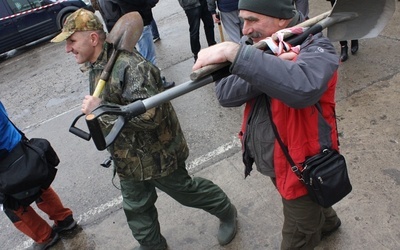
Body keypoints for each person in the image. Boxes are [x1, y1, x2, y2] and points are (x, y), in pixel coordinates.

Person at [51, 9, 237, 250]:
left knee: (187, 192)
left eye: (72, 41)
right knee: (136, 207)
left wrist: (103, 110)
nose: (68, 49)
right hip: (128, 158)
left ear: (93, 39)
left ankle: (226, 210)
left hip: (158, 155)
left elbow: (153, 117)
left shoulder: (131, 66)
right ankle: (152, 245)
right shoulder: (97, 65)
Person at [193, 0, 342, 249]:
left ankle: (316, 226)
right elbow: (226, 94)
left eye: (252, 20)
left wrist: (241, 58)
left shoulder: (317, 46)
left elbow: (303, 87)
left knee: (300, 230)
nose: (244, 30)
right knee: (311, 202)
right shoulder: (256, 45)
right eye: (242, 20)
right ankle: (328, 222)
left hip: (305, 164)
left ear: (282, 19)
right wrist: (270, 64)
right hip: (272, 156)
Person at [0, 101, 77, 250]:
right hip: (19, 147)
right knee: (38, 185)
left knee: (12, 204)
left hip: (3, 164)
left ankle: (44, 237)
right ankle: (64, 219)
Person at [94, 0, 175, 88]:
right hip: (135, 20)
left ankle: (150, 82)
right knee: (148, 56)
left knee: (137, 57)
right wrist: (146, 6)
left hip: (123, 23)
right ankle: (155, 83)